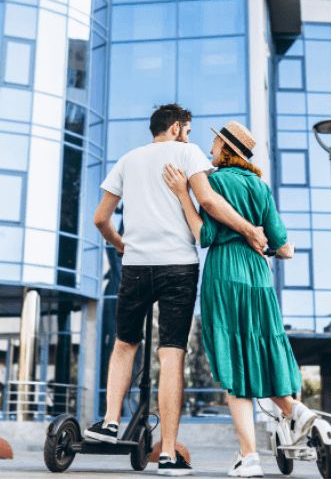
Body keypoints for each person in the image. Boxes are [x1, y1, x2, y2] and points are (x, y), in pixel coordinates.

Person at [86, 105, 268, 477]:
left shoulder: (128, 160)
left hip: (136, 266)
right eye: (187, 129)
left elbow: (100, 219)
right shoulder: (188, 153)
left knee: (125, 344)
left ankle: (108, 422)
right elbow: (209, 202)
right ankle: (168, 453)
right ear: (175, 127)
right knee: (171, 356)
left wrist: (122, 246)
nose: (190, 135)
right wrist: (249, 229)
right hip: (178, 267)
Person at [162, 121, 318, 478]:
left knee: (234, 361)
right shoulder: (260, 188)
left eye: (216, 141)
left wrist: (182, 195)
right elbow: (285, 249)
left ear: (227, 149)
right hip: (259, 276)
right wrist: (267, 243)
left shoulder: (213, 181)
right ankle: (297, 410)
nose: (212, 146)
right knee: (263, 350)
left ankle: (250, 458)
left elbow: (203, 233)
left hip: (226, 273)